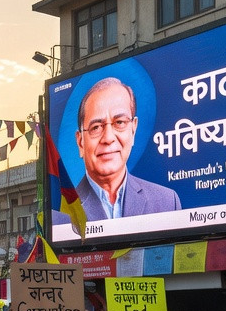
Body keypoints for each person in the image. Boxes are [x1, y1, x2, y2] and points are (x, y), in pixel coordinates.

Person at [63, 76, 181, 222]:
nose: (108, 138)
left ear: (133, 130)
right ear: (81, 142)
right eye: (96, 127)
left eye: (119, 122)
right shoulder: (61, 213)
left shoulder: (167, 202)